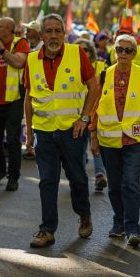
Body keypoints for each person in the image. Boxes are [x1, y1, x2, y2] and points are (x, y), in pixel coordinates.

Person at [24, 14, 100, 248]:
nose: (54, 35)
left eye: (58, 31)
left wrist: (85, 118)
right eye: (49, 31)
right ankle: (47, 229)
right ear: (41, 35)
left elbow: (94, 86)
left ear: (64, 34)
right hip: (44, 133)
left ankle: (84, 213)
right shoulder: (31, 59)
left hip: (73, 131)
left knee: (77, 178)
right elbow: (29, 97)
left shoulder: (77, 54)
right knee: (47, 180)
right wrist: (28, 133)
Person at [91, 34, 140, 247]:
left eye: (128, 51)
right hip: (109, 140)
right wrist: (93, 135)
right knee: (115, 185)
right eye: (120, 50)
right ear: (114, 51)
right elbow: (95, 106)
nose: (123, 54)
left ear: (135, 54)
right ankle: (118, 222)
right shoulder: (105, 74)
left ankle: (132, 228)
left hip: (136, 139)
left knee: (130, 182)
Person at [0, 17, 30, 190]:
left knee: (12, 140)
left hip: (13, 101)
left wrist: (2, 50)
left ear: (10, 29)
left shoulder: (20, 43)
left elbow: (18, 62)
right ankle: (0, 170)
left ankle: (13, 177)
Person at [75, 38, 108, 191]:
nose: (82, 53)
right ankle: (80, 178)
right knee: (80, 148)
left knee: (96, 145)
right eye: (78, 50)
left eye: (85, 50)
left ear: (91, 52)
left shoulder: (101, 67)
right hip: (79, 114)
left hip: (97, 113)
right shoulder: (70, 67)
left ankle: (100, 175)